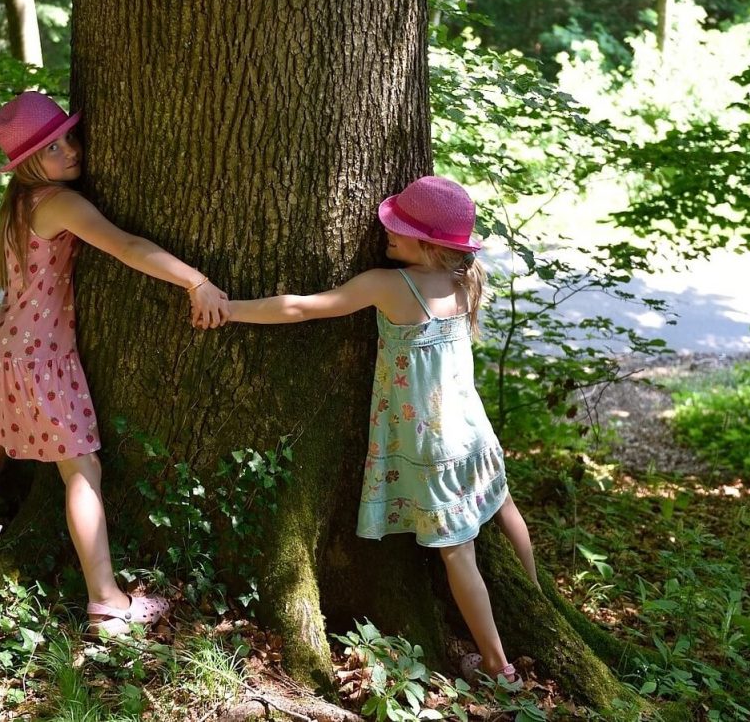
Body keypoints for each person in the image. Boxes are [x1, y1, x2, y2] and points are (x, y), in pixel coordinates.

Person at [227, 175, 540, 687]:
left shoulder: (390, 285)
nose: (384, 229)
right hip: (473, 432)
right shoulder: (465, 281)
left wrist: (230, 310)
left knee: (458, 553)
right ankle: (535, 599)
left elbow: (302, 307)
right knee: (503, 506)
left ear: (430, 244)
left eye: (399, 227)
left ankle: (497, 663)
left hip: (432, 448)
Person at [0, 91, 229, 636]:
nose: (71, 150)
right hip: (38, 358)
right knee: (81, 469)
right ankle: (106, 601)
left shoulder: (18, 202)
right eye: (54, 147)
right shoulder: (59, 203)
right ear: (30, 161)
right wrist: (195, 279)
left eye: (68, 137)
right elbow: (126, 245)